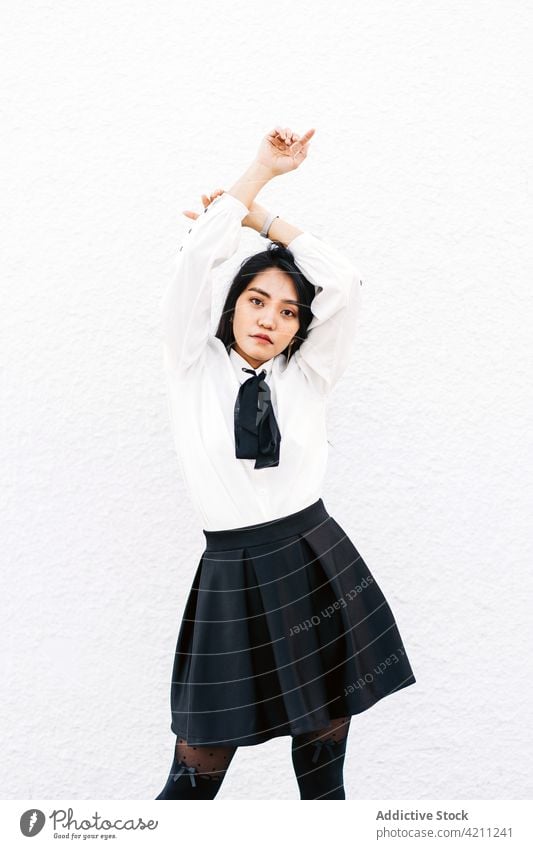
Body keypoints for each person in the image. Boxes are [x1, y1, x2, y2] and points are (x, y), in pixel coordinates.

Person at [155, 126, 416, 801]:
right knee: (192, 778)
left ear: (301, 328)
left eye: (288, 310)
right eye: (255, 299)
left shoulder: (307, 378)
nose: (270, 318)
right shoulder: (191, 365)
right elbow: (193, 264)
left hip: (314, 561)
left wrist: (260, 220)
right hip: (232, 572)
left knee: (323, 780)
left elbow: (344, 279)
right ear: (230, 304)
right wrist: (256, 175)